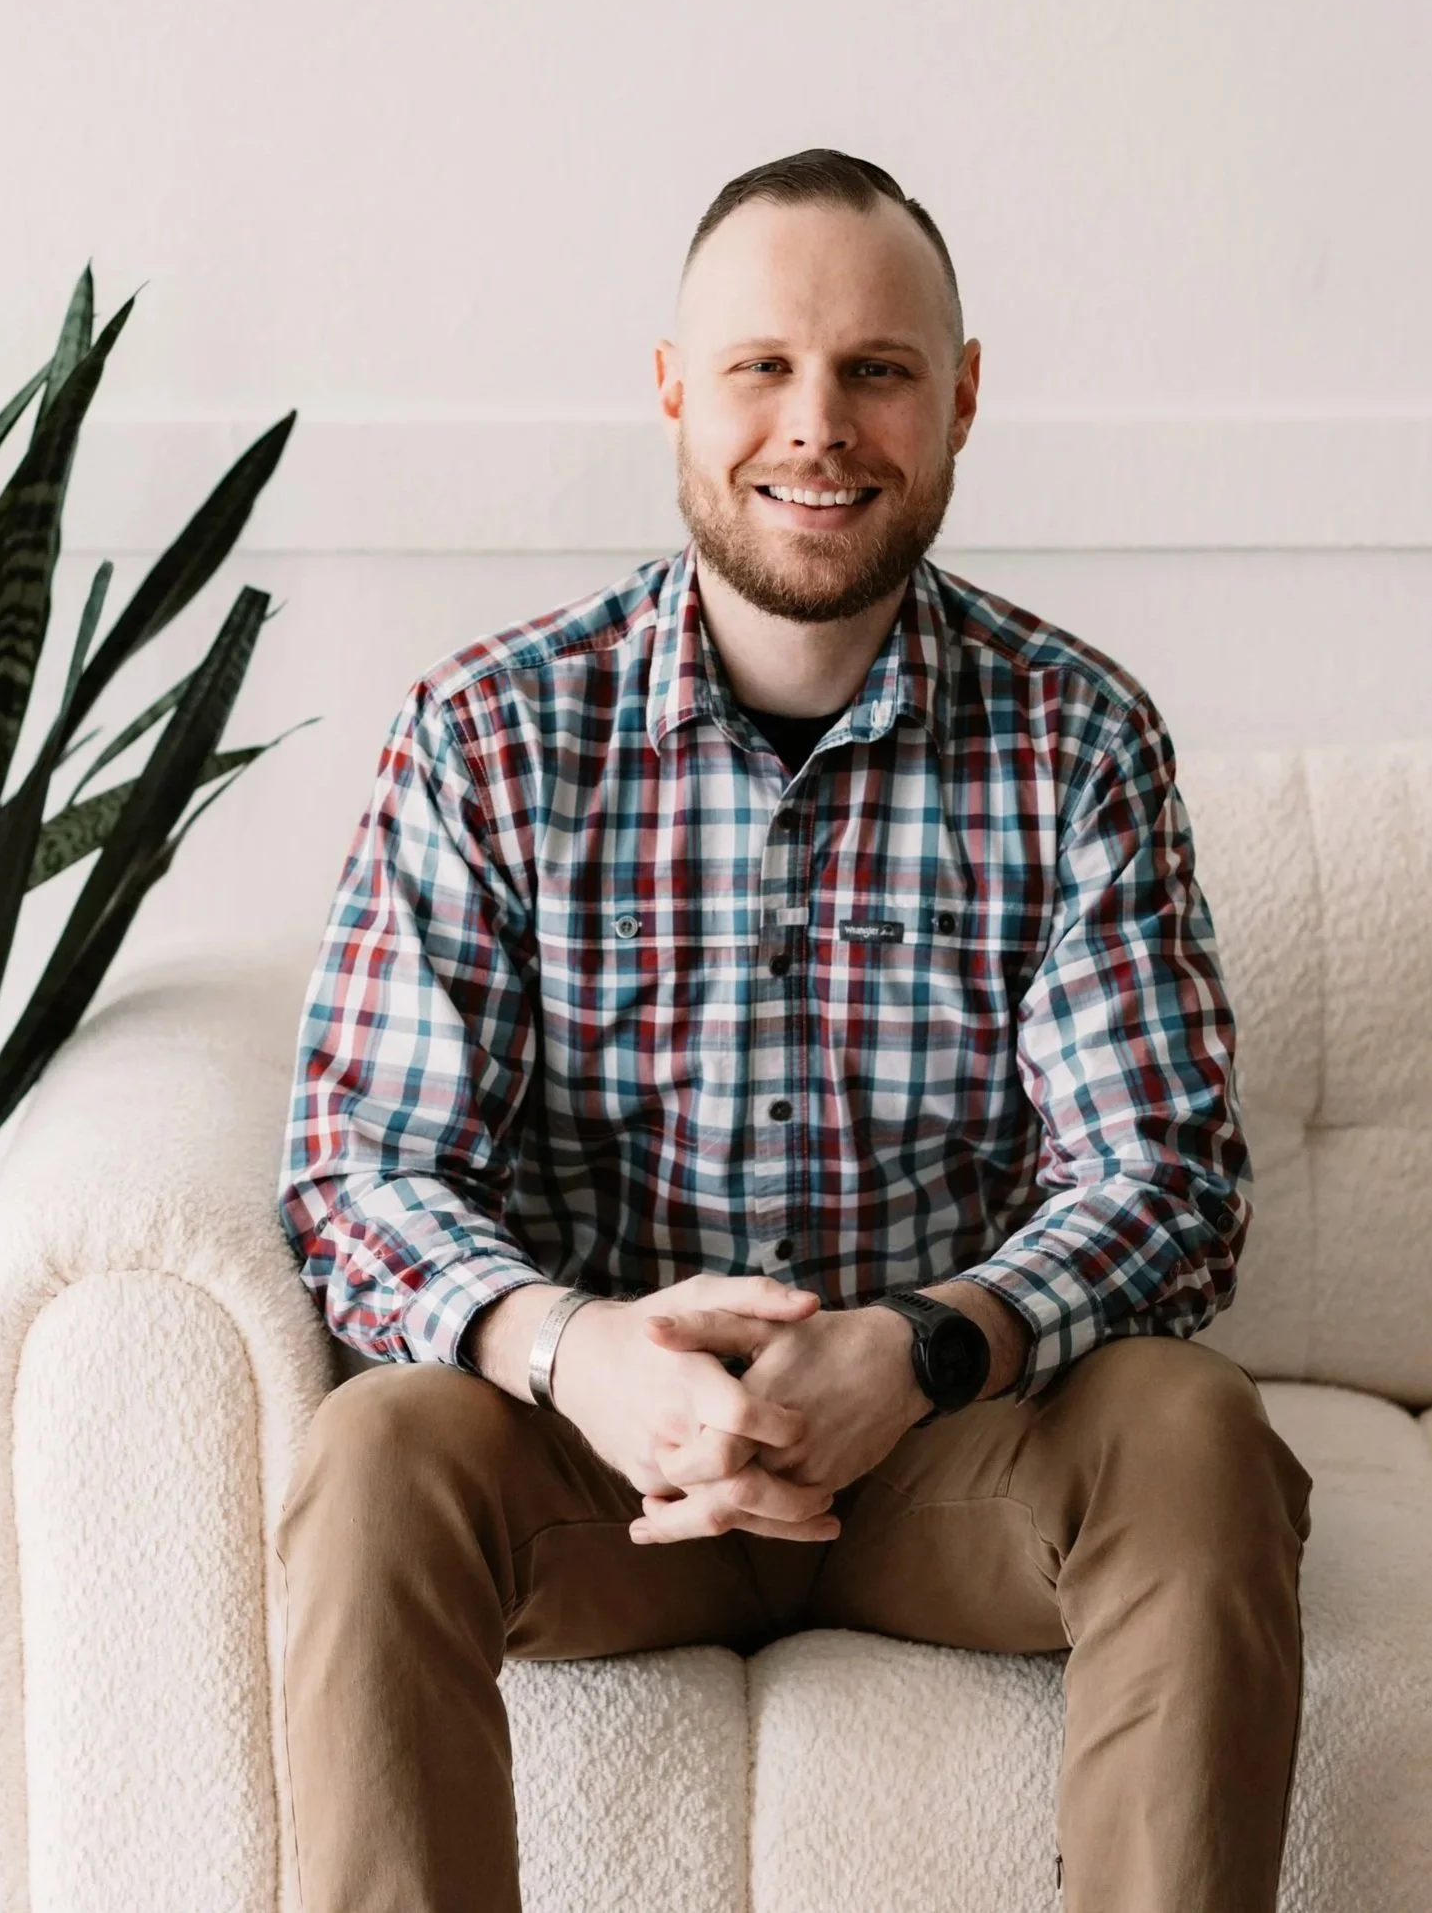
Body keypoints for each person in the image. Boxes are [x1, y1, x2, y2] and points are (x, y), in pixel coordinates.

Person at [273, 146, 1313, 1913]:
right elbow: (362, 1169)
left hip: (948, 1452)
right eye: (764, 366)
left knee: (1198, 1433)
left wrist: (913, 1351)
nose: (817, 426)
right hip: (601, 1467)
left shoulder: (1078, 741)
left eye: (879, 371)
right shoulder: (489, 731)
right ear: (676, 388)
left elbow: (1164, 1180)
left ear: (963, 399)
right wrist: (574, 1351)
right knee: (375, 1453)